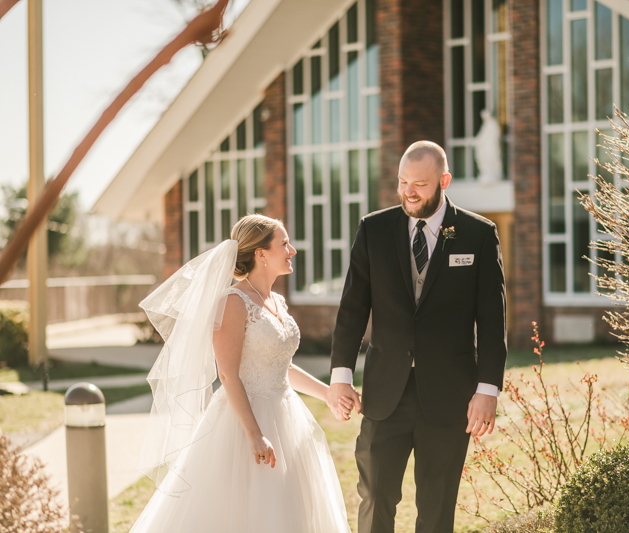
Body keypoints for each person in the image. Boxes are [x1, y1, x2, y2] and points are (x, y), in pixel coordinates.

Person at [327, 141, 507, 533]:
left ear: (444, 181)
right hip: (384, 394)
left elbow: (492, 320)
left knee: (437, 506)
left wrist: (488, 389)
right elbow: (353, 307)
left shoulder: (478, 234)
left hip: (449, 395)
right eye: (403, 182)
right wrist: (341, 377)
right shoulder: (373, 229)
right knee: (374, 498)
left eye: (420, 184)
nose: (408, 191)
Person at [130, 215, 351, 532]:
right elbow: (229, 374)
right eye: (284, 244)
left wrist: (326, 393)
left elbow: (280, 365)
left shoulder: (276, 300)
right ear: (261, 254)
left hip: (286, 415)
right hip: (244, 422)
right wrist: (254, 434)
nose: (293, 250)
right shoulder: (233, 302)